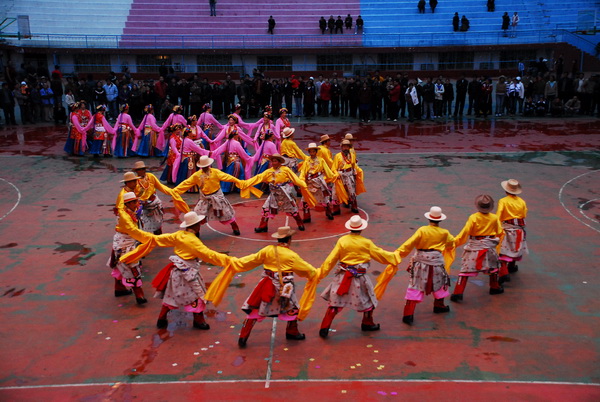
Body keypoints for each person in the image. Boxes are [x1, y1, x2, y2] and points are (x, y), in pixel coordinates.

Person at [204, 226, 319, 347]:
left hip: (266, 284)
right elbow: (308, 270)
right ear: (289, 239)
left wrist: (233, 261)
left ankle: (243, 336)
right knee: (292, 308)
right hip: (284, 287)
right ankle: (292, 331)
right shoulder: (292, 255)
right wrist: (317, 273)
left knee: (256, 309)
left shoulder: (268, 250)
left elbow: (251, 260)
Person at [119, 211, 234, 329]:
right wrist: (229, 261)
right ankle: (198, 320)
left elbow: (159, 239)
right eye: (198, 223)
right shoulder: (193, 241)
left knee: (171, 296)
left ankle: (162, 319)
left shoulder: (179, 235)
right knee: (198, 295)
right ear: (196, 225)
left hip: (176, 271)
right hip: (189, 272)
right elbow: (210, 255)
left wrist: (139, 234)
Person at [315, 215, 399, 337]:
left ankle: (324, 328)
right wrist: (395, 257)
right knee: (369, 299)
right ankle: (367, 323)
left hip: (342, 277)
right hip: (359, 278)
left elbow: (331, 259)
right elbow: (380, 254)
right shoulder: (366, 243)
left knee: (335, 302)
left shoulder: (342, 241)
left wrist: (321, 272)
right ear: (361, 228)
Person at [378, 207, 455, 325]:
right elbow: (451, 243)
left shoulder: (422, 230)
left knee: (415, 284)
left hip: (421, 261)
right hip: (436, 261)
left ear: (429, 218)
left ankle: (408, 314)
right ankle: (439, 305)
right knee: (440, 282)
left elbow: (409, 243)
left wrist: (398, 254)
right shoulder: (444, 233)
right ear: (440, 220)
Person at [239, 154, 314, 233]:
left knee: (292, 209)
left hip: (285, 193)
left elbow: (295, 179)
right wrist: (245, 183)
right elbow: (258, 177)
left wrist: (303, 185)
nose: (273, 163)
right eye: (272, 161)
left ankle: (300, 224)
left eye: (275, 161)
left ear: (279, 162)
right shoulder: (268, 171)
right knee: (266, 209)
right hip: (274, 194)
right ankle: (263, 226)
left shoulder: (286, 170)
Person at [450, 195, 504, 302]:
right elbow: (499, 232)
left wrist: (454, 243)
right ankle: (494, 287)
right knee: (493, 267)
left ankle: (458, 293)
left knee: (465, 270)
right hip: (488, 246)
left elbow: (465, 232)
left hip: (474, 247)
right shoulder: (494, 218)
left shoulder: (473, 217)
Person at [174, 155, 243, 236]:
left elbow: (228, 177)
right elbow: (186, 183)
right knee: (197, 214)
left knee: (227, 214)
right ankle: (196, 231)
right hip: (204, 198)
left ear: (209, 165)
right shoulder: (197, 175)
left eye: (206, 166)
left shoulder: (215, 172)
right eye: (203, 167)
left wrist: (239, 182)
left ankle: (235, 227)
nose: (205, 168)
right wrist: (175, 191)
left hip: (217, 197)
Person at [109, 191, 152, 304]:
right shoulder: (124, 216)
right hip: (125, 243)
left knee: (119, 266)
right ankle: (139, 295)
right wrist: (150, 239)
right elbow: (133, 231)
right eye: (133, 202)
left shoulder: (130, 212)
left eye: (136, 201)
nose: (136, 203)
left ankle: (119, 288)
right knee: (132, 267)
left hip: (124, 241)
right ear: (127, 203)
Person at [131, 161, 190, 234]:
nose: (142, 171)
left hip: (153, 203)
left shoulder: (150, 177)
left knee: (157, 225)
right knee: (141, 226)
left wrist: (172, 192)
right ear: (136, 171)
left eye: (143, 169)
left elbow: (161, 186)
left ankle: (159, 239)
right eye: (139, 169)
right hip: (141, 206)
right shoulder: (134, 181)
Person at [299, 143, 344, 222]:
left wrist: (334, 176)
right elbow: (303, 171)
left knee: (325, 198)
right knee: (306, 199)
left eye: (313, 151)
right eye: (310, 151)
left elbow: (327, 170)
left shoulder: (321, 160)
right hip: (309, 182)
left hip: (319, 181)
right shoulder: (307, 161)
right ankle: (306, 216)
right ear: (309, 152)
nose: (312, 153)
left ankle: (328, 212)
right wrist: (301, 180)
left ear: (316, 152)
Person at [496, 180, 528, 283]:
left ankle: (504, 272)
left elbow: (499, 215)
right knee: (515, 248)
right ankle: (512, 266)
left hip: (507, 228)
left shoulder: (503, 201)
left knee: (502, 250)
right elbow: (524, 214)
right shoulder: (522, 201)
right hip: (518, 228)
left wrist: (496, 227)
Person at [331, 139, 364, 215]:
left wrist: (357, 171)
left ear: (349, 147)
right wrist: (337, 174)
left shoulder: (351, 155)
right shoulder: (337, 156)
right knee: (336, 192)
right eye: (344, 146)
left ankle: (354, 206)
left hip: (349, 174)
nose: (345, 148)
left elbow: (354, 165)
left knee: (351, 191)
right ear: (341, 147)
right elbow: (333, 168)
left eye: (347, 146)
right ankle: (336, 209)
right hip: (340, 175)